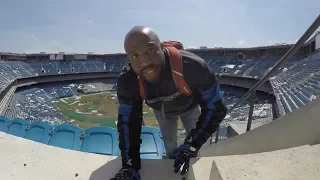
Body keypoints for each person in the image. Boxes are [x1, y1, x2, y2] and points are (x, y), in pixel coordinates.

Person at [110, 26, 227, 180]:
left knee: (197, 149)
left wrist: (191, 146)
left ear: (162, 47)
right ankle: (174, 165)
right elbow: (128, 123)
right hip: (163, 112)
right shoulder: (128, 80)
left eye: (150, 50)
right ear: (129, 59)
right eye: (134, 55)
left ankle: (192, 160)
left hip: (190, 108)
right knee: (170, 144)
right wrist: (130, 165)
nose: (144, 62)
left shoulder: (193, 66)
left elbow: (216, 108)